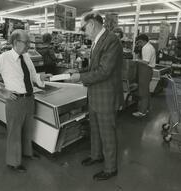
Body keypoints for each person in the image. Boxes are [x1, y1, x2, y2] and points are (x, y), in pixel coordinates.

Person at [0, 29, 51, 173]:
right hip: (15, 101)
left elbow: (32, 75)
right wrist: (2, 91)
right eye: (26, 42)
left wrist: (41, 78)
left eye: (29, 42)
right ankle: (13, 162)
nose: (29, 46)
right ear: (15, 42)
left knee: (27, 129)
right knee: (14, 132)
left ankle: (27, 153)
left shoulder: (26, 57)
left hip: (29, 99)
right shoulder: (3, 58)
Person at [67, 11, 123, 181]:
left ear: (91, 24)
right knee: (95, 129)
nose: (84, 32)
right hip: (95, 94)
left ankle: (110, 168)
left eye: (84, 28)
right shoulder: (97, 41)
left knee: (107, 132)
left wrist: (80, 78)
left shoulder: (111, 40)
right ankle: (96, 155)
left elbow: (104, 71)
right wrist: (78, 71)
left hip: (106, 95)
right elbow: (94, 68)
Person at [132, 34, 156, 117]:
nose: (139, 44)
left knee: (143, 91)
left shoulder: (146, 48)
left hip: (145, 70)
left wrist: (136, 60)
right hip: (147, 71)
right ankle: (147, 108)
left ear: (142, 41)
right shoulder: (149, 46)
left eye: (139, 42)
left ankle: (142, 111)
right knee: (146, 90)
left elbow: (146, 62)